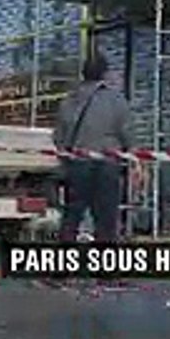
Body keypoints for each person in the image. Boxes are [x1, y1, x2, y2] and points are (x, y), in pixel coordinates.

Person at [53, 53, 135, 244]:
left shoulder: (69, 101)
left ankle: (62, 266)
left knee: (72, 215)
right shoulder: (116, 100)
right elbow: (127, 132)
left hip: (77, 165)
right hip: (107, 165)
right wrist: (133, 158)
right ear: (105, 74)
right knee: (106, 219)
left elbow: (59, 137)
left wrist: (69, 156)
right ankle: (104, 268)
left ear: (83, 74)